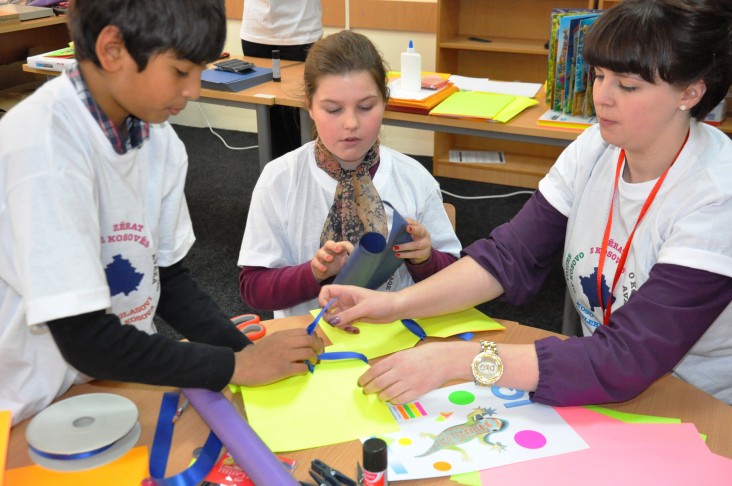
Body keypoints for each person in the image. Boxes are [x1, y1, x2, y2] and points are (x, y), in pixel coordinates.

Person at [319, 0, 732, 406]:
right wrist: (394, 304)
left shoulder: (717, 196)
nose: (601, 97)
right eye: (599, 75)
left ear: (691, 93)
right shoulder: (597, 146)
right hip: (608, 379)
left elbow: (628, 357)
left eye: (627, 86)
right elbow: (509, 256)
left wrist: (462, 361)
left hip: (697, 401)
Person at [0, 0, 322, 426]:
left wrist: (245, 353)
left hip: (118, 374)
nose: (193, 90)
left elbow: (167, 277)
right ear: (113, 50)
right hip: (28, 402)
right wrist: (235, 367)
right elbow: (84, 339)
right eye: (180, 71)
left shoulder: (158, 140)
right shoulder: (43, 149)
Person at [238, 30, 461, 320]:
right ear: (310, 107)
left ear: (385, 102)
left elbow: (455, 280)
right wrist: (314, 272)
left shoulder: (414, 179)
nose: (351, 123)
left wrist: (425, 259)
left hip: (398, 339)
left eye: (366, 107)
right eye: (333, 109)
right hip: (313, 343)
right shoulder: (279, 179)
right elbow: (254, 288)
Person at [240, 0, 323, 159]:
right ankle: (274, 172)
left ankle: (308, 171)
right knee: (268, 117)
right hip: (256, 31)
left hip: (300, 32)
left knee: (300, 116)